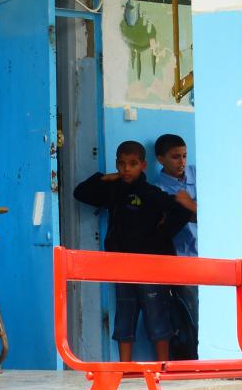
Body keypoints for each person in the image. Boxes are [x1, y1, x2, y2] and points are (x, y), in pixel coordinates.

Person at [74, 141, 194, 362]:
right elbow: (80, 193)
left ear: (144, 165)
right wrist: (104, 177)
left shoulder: (151, 193)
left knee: (157, 316)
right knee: (124, 318)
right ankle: (125, 368)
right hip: (122, 266)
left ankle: (162, 366)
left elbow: (182, 212)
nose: (126, 169)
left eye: (132, 164)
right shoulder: (114, 190)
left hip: (151, 268)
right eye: (121, 164)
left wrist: (161, 235)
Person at [153, 133, 199, 359]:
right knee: (190, 314)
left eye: (184, 156)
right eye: (175, 157)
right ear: (160, 159)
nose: (181, 162)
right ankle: (193, 359)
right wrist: (191, 209)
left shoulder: (198, 173)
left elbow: (211, 213)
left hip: (208, 256)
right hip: (182, 259)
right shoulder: (159, 188)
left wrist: (189, 205)